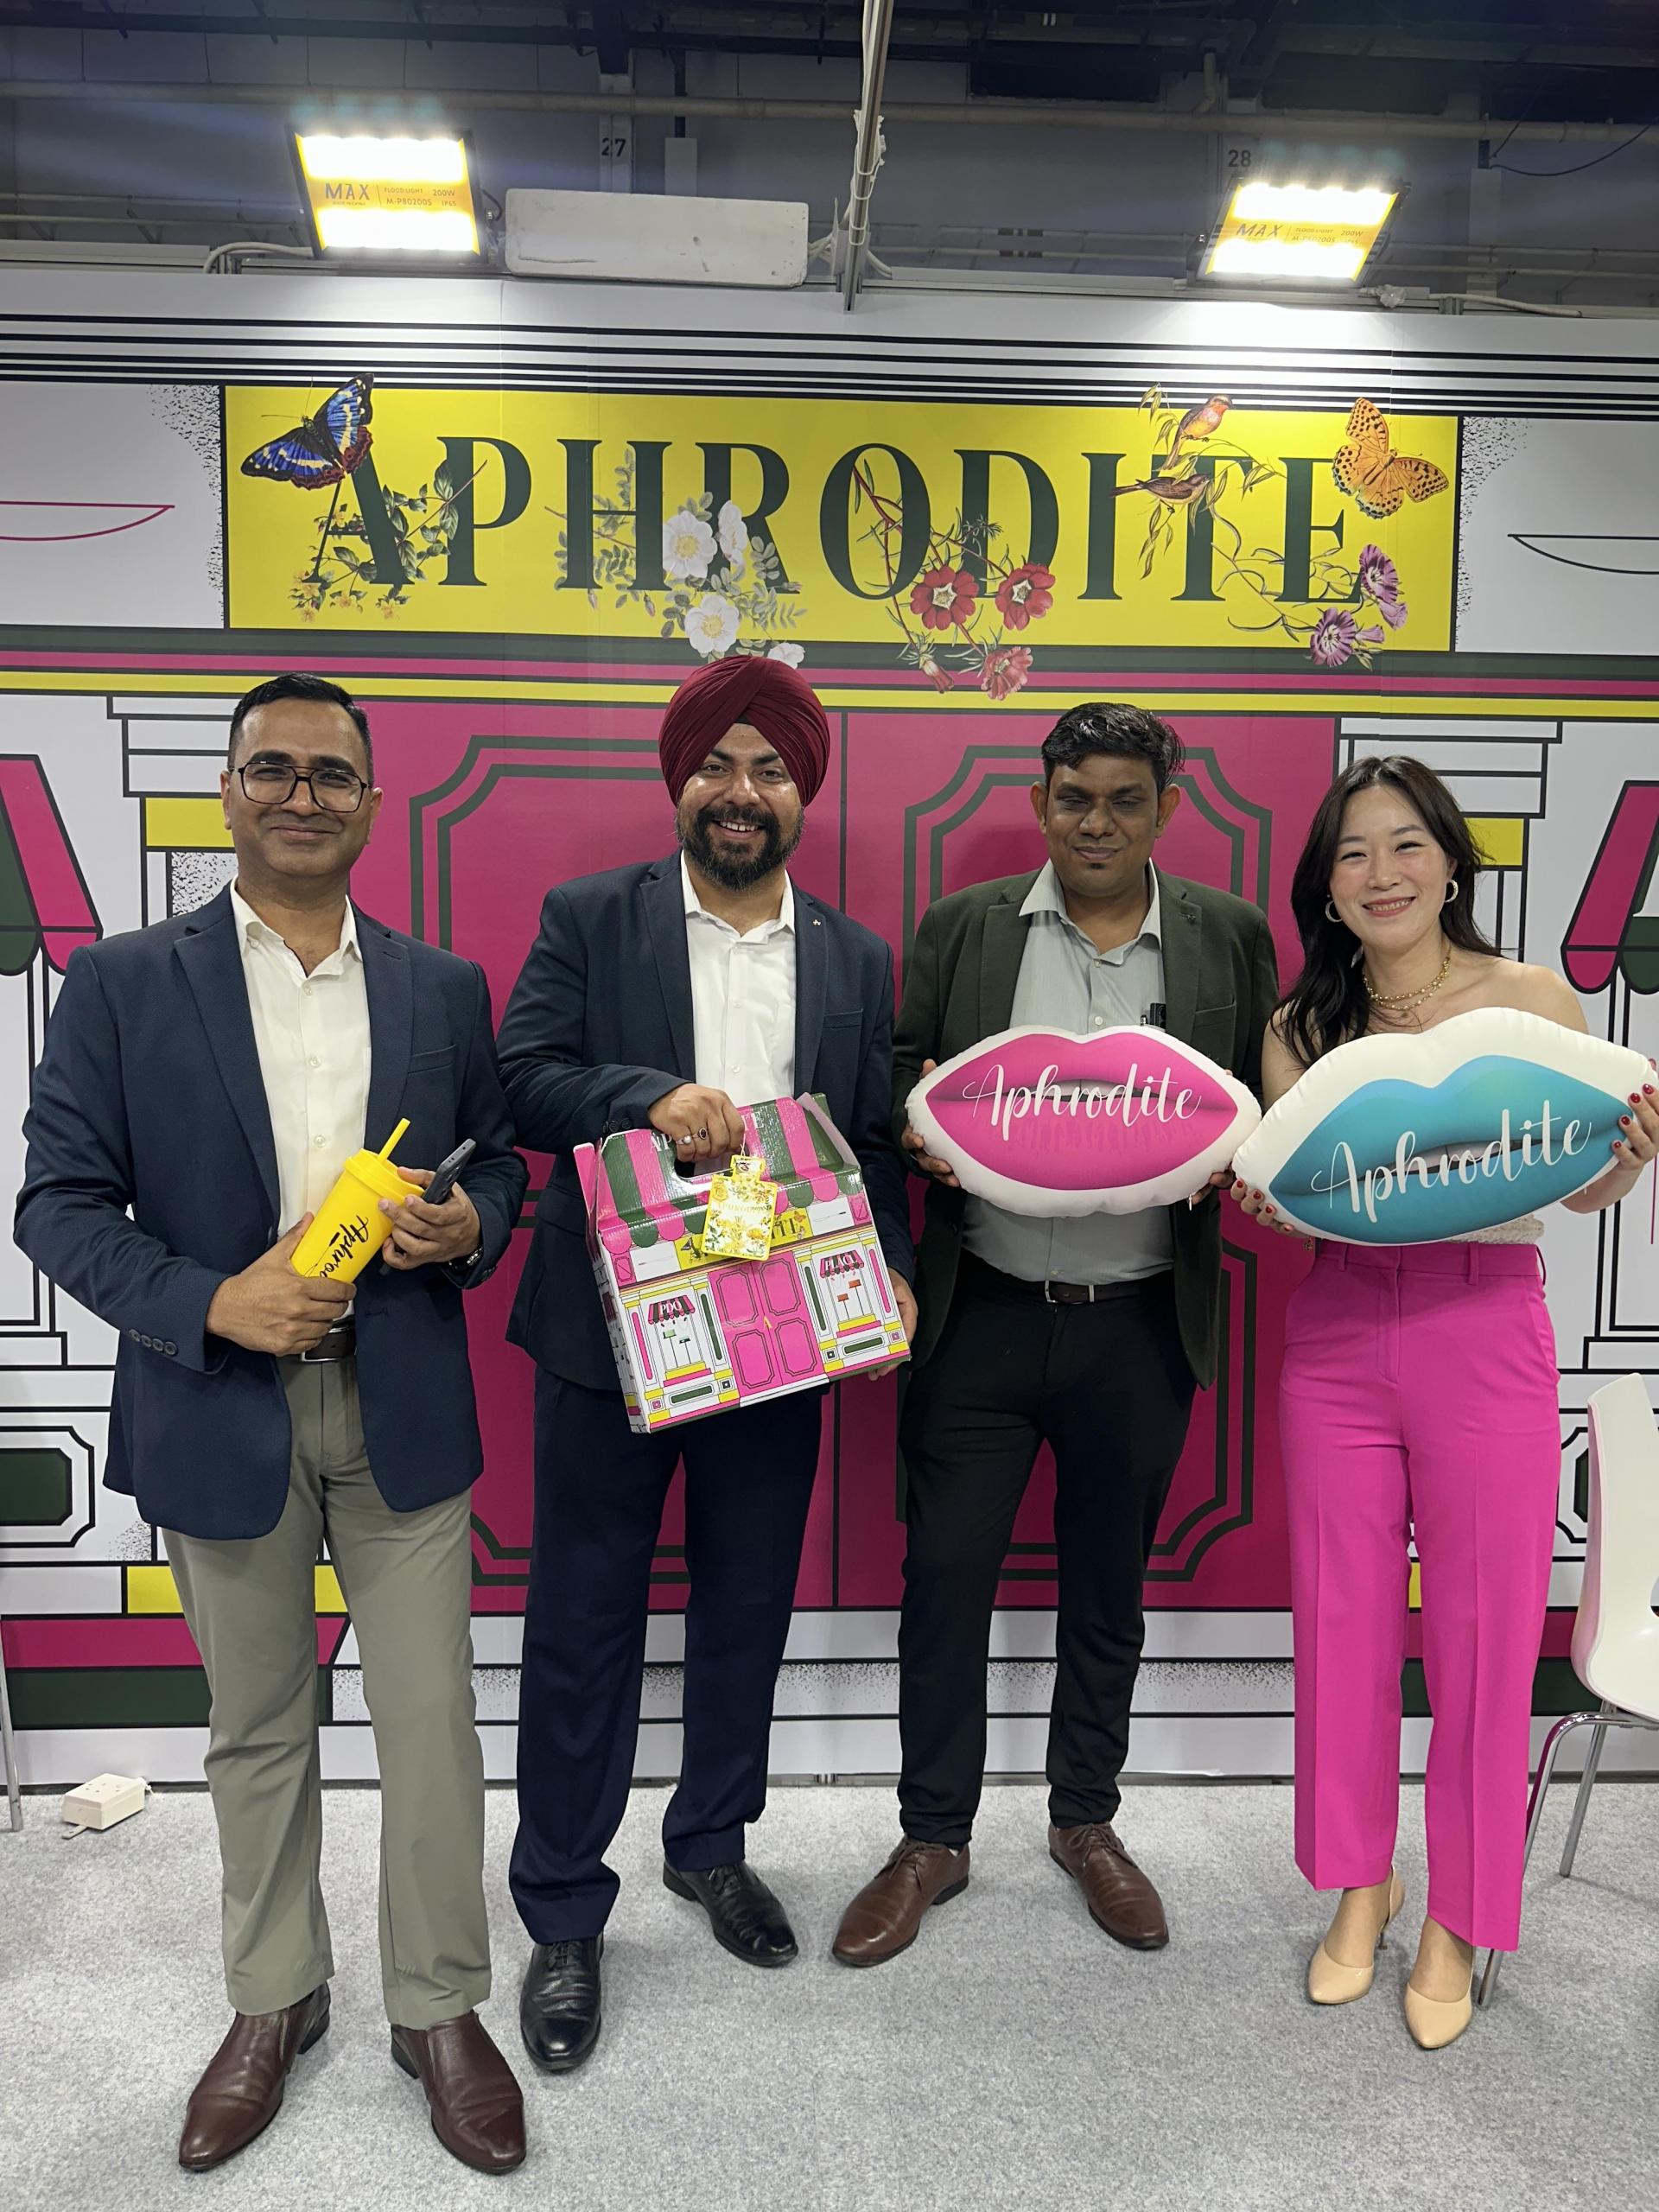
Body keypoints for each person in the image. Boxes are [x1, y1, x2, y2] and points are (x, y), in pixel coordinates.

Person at [15, 673, 529, 2174]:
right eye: (274, 769)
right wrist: (211, 1302)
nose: (303, 795)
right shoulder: (123, 982)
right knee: (256, 1728)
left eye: (331, 775)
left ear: (372, 802)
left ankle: (438, 2006)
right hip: (216, 1401)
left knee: (430, 1723)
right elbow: (55, 1205)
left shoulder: (441, 987)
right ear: (229, 791)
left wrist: (470, 1228)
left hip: (402, 1401)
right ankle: (273, 1997)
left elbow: (500, 1166)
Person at [499, 652, 916, 2072]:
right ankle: (563, 1907)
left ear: (804, 794)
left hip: (780, 1333)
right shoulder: (591, 917)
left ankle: (711, 1846)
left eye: (771, 771)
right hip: (606, 1335)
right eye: (720, 767)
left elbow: (875, 1145)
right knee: (584, 1623)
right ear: (680, 781)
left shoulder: (856, 958)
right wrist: (650, 1098)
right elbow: (524, 1076)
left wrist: (888, 1275)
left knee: (746, 1606)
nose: (743, 792)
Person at [832, 702, 1281, 1967]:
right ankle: (932, 1837)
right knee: (943, 1585)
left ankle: (1087, 1821)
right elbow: (899, 1078)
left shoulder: (1228, 935)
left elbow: (1262, 1095)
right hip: (979, 1311)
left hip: (1138, 1323)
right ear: (1040, 803)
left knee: (1107, 1588)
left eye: (1125, 800)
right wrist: (922, 1132)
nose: (1097, 823)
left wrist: (1240, 1153)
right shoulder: (964, 927)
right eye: (1074, 798)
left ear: (1166, 809)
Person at [1238, 753, 1658, 2050]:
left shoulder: (1531, 1000)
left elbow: (1576, 1182)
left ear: (1451, 863)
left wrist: (1627, 1164)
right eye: (1354, 853)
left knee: (1484, 1635)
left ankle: (1462, 1916)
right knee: (1344, 1623)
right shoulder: (1301, 1029)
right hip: (1338, 1329)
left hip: (1484, 1324)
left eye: (1406, 845)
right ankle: (1361, 1884)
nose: (1383, 874)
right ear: (1327, 885)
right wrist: (1264, 1198)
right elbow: (1294, 1194)